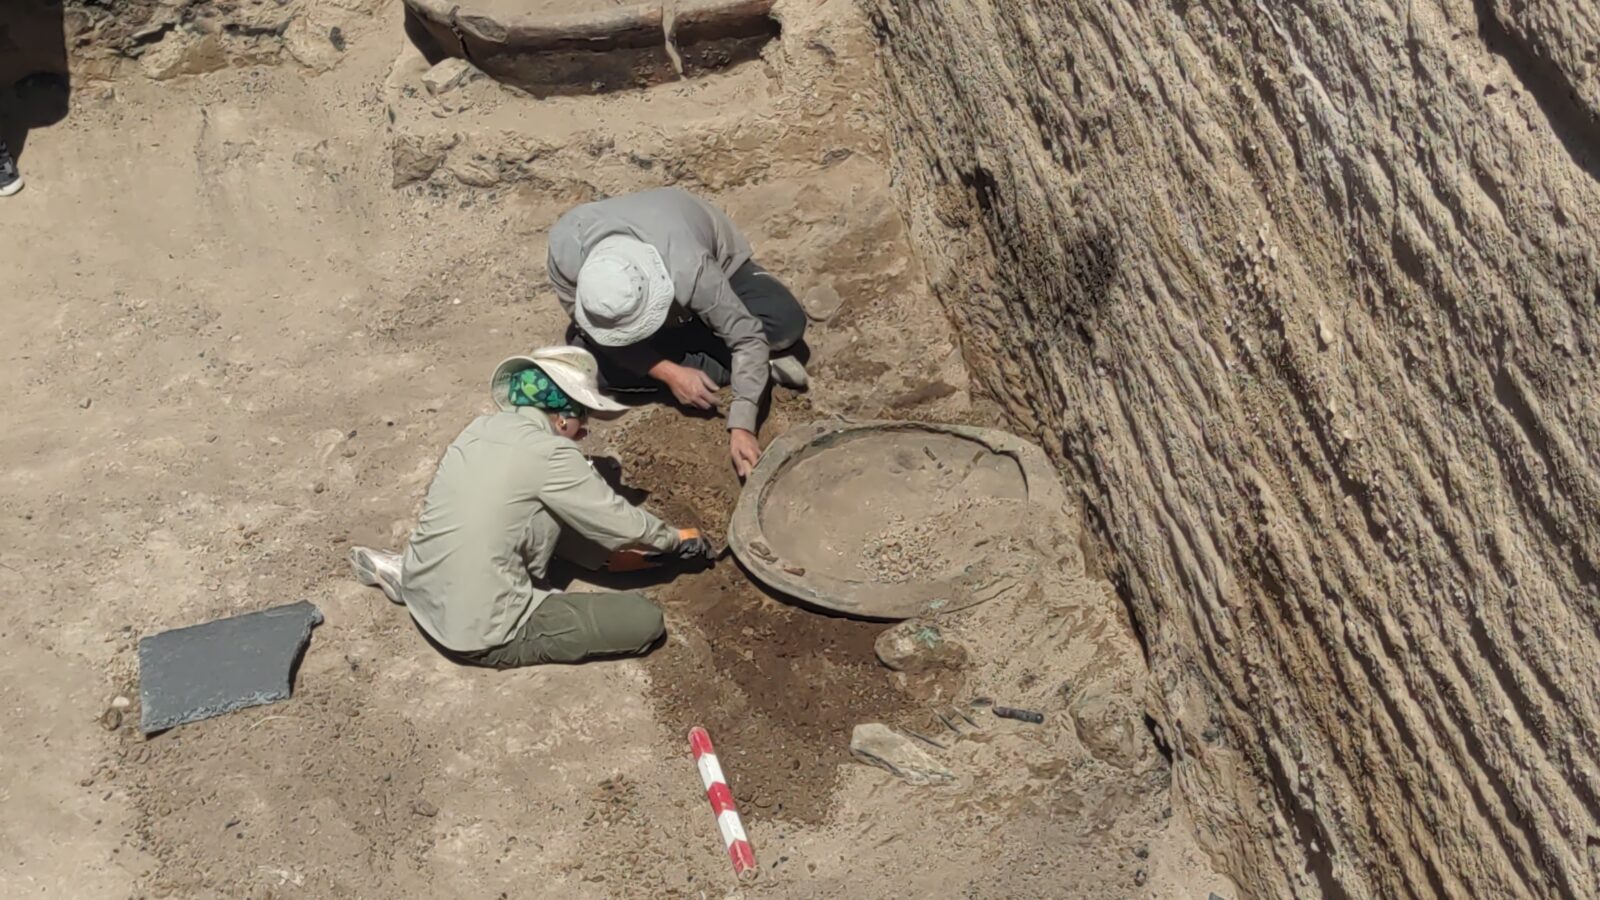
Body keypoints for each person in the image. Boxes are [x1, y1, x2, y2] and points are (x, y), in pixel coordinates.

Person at [348, 346, 713, 668]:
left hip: (425, 584)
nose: (585, 429)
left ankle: (409, 577)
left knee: (535, 511)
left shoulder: (479, 429)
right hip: (478, 634)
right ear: (563, 416)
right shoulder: (552, 454)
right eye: (583, 418)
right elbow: (623, 525)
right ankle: (514, 613)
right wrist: (676, 540)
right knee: (643, 620)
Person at [547, 187, 809, 478]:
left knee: (783, 323)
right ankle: (755, 365)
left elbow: (746, 336)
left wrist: (743, 425)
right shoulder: (565, 253)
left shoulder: (690, 267)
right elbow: (590, 329)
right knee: (589, 368)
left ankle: (747, 361)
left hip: (717, 270)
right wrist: (669, 373)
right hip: (670, 306)